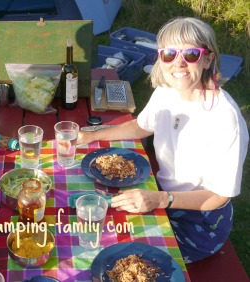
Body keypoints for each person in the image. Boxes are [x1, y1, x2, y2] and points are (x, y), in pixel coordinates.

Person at [77, 17, 248, 263]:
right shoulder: (167, 91)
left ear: (208, 59)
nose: (178, 63)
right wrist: (90, 136)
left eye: (190, 53)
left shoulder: (224, 118)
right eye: (169, 53)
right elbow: (141, 126)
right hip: (161, 196)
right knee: (91, 222)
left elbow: (219, 196)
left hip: (199, 221)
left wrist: (161, 199)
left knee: (118, 257)